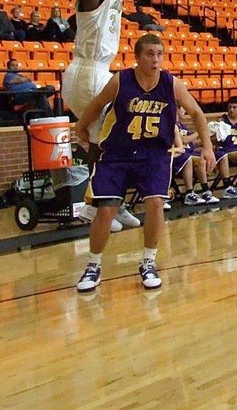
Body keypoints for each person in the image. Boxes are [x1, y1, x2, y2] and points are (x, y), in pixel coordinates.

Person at [73, 34, 212, 292]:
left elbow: (196, 112)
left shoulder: (171, 83)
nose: (155, 59)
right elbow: (97, 103)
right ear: (137, 57)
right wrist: (81, 126)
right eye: (150, 54)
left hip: (154, 154)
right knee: (106, 210)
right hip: (118, 153)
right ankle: (93, 266)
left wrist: (208, 148)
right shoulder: (120, 80)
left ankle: (148, 262)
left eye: (159, 54)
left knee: (156, 202)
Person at [63, 0, 141, 233]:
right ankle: (97, 204)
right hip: (86, 72)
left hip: (99, 71)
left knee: (108, 139)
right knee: (107, 138)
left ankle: (108, 202)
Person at [175, 106, 219, 205]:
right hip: (178, 155)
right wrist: (200, 131)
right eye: (182, 108)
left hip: (188, 153)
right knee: (191, 159)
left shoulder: (182, 125)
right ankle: (189, 193)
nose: (185, 111)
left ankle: (206, 191)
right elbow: (184, 140)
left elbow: (191, 144)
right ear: (176, 109)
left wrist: (207, 140)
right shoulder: (172, 125)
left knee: (203, 158)